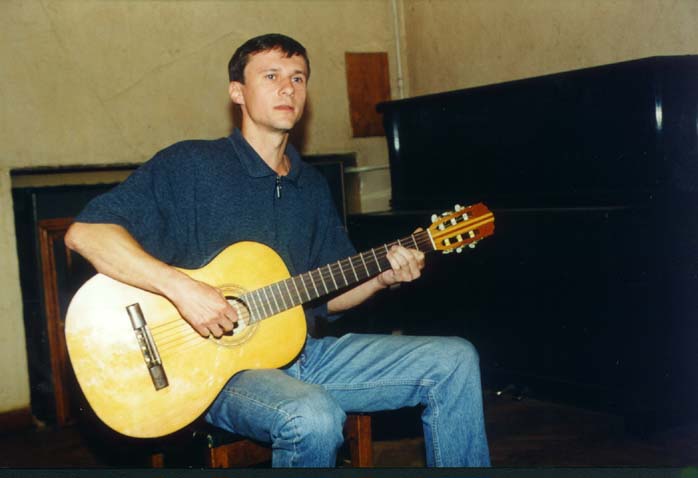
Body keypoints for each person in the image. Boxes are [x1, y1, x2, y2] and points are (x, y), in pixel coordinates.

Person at [65, 33, 490, 468]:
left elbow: (327, 297)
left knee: (454, 359)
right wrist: (183, 289)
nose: (288, 88)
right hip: (215, 374)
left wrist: (381, 277)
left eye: (298, 78)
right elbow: (86, 233)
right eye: (271, 76)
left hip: (306, 354)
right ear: (237, 92)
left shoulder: (312, 187)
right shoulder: (191, 165)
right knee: (312, 415)